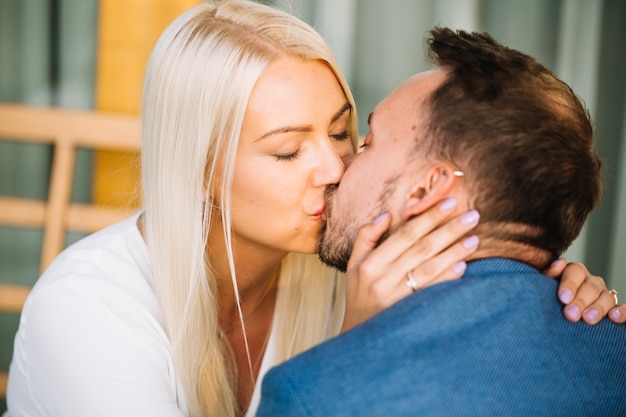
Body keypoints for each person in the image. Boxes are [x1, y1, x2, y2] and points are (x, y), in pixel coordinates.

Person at [3, 2, 620, 417]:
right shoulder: (85, 312)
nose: (335, 170)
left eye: (344, 132)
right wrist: (355, 355)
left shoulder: (358, 266)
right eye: (288, 151)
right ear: (198, 172)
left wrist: (544, 285)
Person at [257, 28, 626, 416]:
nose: (339, 167)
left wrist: (343, 364)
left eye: (368, 143)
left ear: (426, 190)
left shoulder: (311, 393)